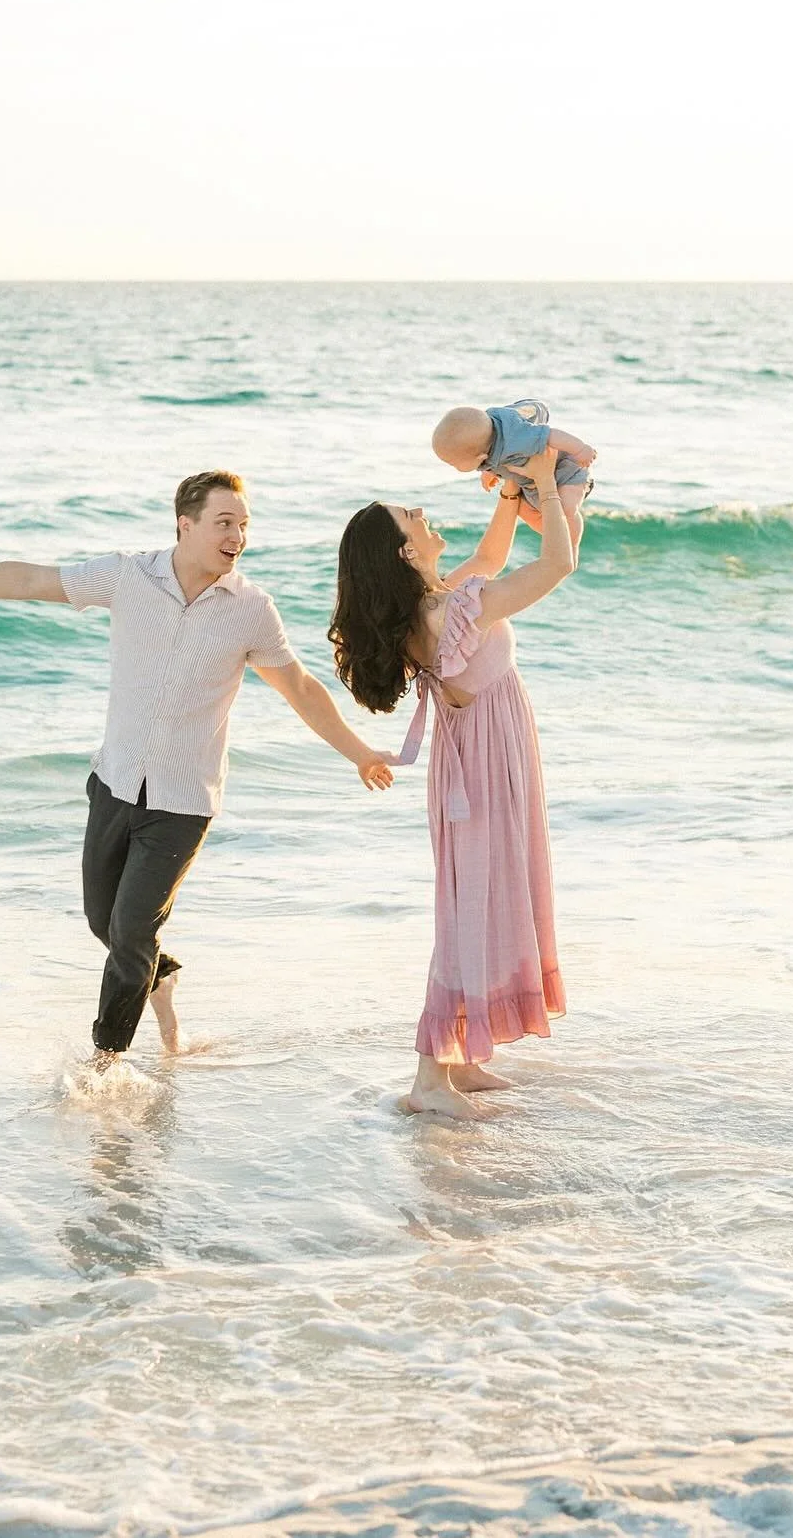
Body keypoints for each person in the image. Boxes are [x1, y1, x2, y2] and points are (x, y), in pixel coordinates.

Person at [0, 470, 394, 1067]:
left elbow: (299, 686)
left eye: (245, 526)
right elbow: (30, 579)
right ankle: (161, 976)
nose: (238, 537)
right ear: (186, 524)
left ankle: (105, 1062)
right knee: (108, 923)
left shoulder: (251, 609)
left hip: (182, 803)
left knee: (128, 932)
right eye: (225, 523)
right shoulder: (129, 577)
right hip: (116, 783)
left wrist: (358, 752)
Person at [329, 448, 576, 1119]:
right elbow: (558, 565)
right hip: (485, 771)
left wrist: (509, 493)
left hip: (484, 763)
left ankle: (460, 1060)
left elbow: (491, 561)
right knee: (469, 912)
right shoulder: (450, 612)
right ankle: (427, 1079)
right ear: (405, 553)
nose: (420, 510)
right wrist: (548, 493)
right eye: (407, 515)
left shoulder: (437, 607)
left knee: (484, 901)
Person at [432, 398, 596, 556]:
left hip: (565, 472)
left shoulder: (516, 439)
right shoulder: (482, 440)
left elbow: (550, 435)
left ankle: (570, 547)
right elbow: (489, 458)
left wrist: (581, 449)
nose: (452, 467)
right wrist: (489, 471)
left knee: (566, 511)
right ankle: (555, 534)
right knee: (523, 510)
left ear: (480, 457)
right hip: (532, 487)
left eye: (453, 464)